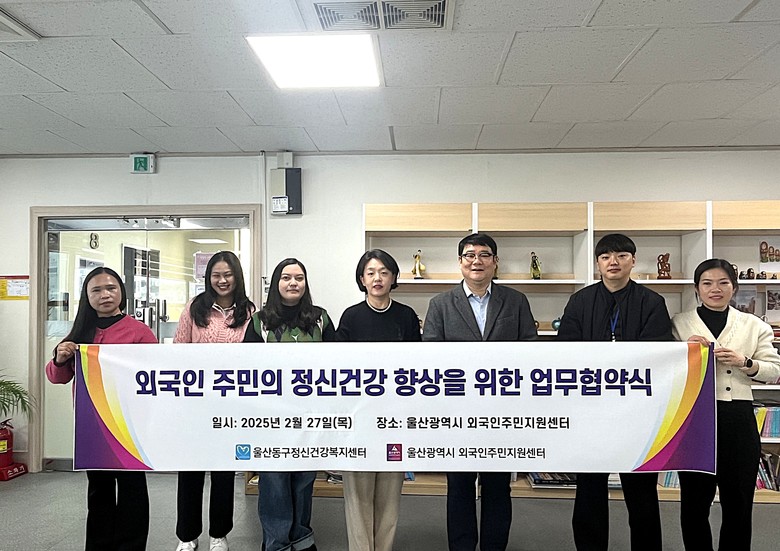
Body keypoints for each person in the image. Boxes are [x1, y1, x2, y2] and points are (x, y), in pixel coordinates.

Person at [556, 233, 672, 551]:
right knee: (590, 489)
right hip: (590, 410)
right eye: (606, 257)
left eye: (621, 256)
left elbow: (656, 354)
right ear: (598, 263)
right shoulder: (580, 301)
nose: (613, 262)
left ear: (633, 261)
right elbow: (566, 349)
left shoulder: (652, 302)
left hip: (637, 412)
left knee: (641, 492)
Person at [422, 232, 537, 551]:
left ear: (495, 262)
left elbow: (530, 348)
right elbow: (430, 355)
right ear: (460, 262)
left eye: (485, 255)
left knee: (498, 486)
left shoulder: (516, 300)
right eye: (469, 255)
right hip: (458, 412)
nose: (477, 261)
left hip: (503, 411)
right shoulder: (440, 304)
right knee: (459, 486)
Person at [45, 266, 157, 551]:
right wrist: (59, 359)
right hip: (92, 426)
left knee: (132, 489)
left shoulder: (139, 332)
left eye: (111, 288)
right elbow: (56, 377)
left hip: (129, 426)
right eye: (96, 290)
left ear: (121, 292)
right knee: (99, 491)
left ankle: (131, 546)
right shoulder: (79, 332)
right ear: (87, 296)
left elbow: (156, 374)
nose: (105, 294)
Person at [672, 259, 780, 551]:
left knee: (739, 501)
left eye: (723, 283)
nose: (715, 289)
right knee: (694, 502)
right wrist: (683, 351)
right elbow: (664, 369)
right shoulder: (679, 323)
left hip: (737, 418)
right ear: (697, 289)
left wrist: (746, 362)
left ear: (734, 287)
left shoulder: (754, 325)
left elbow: (774, 370)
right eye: (707, 283)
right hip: (694, 419)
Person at [244, 258, 336, 551]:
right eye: (286, 277)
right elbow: (246, 367)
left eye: (299, 278)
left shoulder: (320, 319)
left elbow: (338, 363)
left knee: (304, 479)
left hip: (310, 414)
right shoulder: (259, 321)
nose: (293, 283)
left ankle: (301, 538)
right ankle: (276, 542)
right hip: (270, 415)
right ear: (276, 283)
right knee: (274, 480)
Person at [336, 249, 421, 551]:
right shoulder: (351, 316)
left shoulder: (406, 316)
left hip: (394, 416)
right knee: (357, 494)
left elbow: (417, 365)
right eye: (371, 272)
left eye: (384, 272)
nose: (377, 278)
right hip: (358, 417)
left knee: (389, 492)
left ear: (393, 277)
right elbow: (337, 367)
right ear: (362, 278)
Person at [173, 251, 255, 551]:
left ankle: (219, 534)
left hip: (230, 403)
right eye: (216, 275)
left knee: (223, 472)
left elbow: (253, 356)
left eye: (228, 275)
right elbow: (178, 349)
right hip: (196, 402)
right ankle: (187, 535)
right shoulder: (195, 308)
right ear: (208, 278)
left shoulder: (249, 311)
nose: (222, 280)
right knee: (190, 471)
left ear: (237, 277)